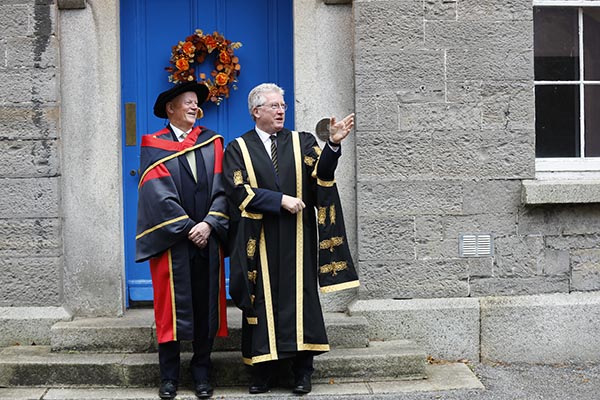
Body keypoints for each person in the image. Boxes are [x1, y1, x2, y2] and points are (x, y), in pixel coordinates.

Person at [222, 83, 359, 395]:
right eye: (273, 106)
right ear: (256, 112)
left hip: (299, 236)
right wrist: (279, 200)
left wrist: (333, 146)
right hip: (260, 238)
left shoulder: (303, 142)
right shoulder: (238, 148)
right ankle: (262, 371)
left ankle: (302, 371)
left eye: (282, 105)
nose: (281, 110)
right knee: (261, 301)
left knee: (301, 297)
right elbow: (237, 191)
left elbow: (321, 177)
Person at [135, 81, 229, 400]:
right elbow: (156, 195)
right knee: (169, 310)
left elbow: (223, 188)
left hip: (207, 239)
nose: (192, 106)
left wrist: (210, 224)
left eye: (195, 102)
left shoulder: (212, 142)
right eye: (186, 102)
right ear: (170, 109)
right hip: (171, 241)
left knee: (205, 305)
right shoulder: (153, 144)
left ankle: (202, 371)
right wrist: (190, 226)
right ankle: (169, 376)